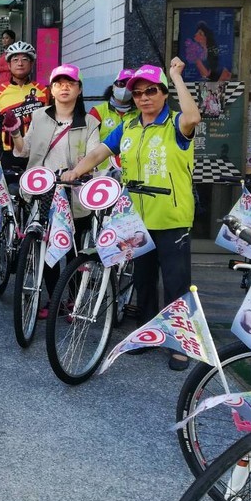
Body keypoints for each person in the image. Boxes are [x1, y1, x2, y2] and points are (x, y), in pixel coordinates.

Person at [61, 58, 201, 371]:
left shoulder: (176, 123)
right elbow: (100, 152)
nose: (143, 98)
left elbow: (194, 116)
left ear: (164, 92)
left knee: (177, 283)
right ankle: (148, 334)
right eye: (138, 93)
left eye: (151, 91)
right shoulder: (129, 126)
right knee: (143, 281)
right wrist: (76, 171)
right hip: (136, 217)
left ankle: (180, 343)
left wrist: (177, 77)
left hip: (172, 217)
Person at [10, 64, 100, 317]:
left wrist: (78, 172)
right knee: (46, 245)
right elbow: (25, 150)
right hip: (43, 190)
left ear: (79, 89)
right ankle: (54, 299)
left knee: (72, 249)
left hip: (74, 193)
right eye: (59, 84)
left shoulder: (90, 122)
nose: (64, 88)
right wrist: (15, 133)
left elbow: (94, 155)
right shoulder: (39, 116)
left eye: (70, 83)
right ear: (51, 90)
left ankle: (72, 299)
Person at [0, 41, 48, 178]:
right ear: (9, 65)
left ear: (32, 63)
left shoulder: (43, 91)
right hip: (7, 156)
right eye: (15, 60)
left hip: (37, 155)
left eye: (25, 59)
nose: (20, 63)